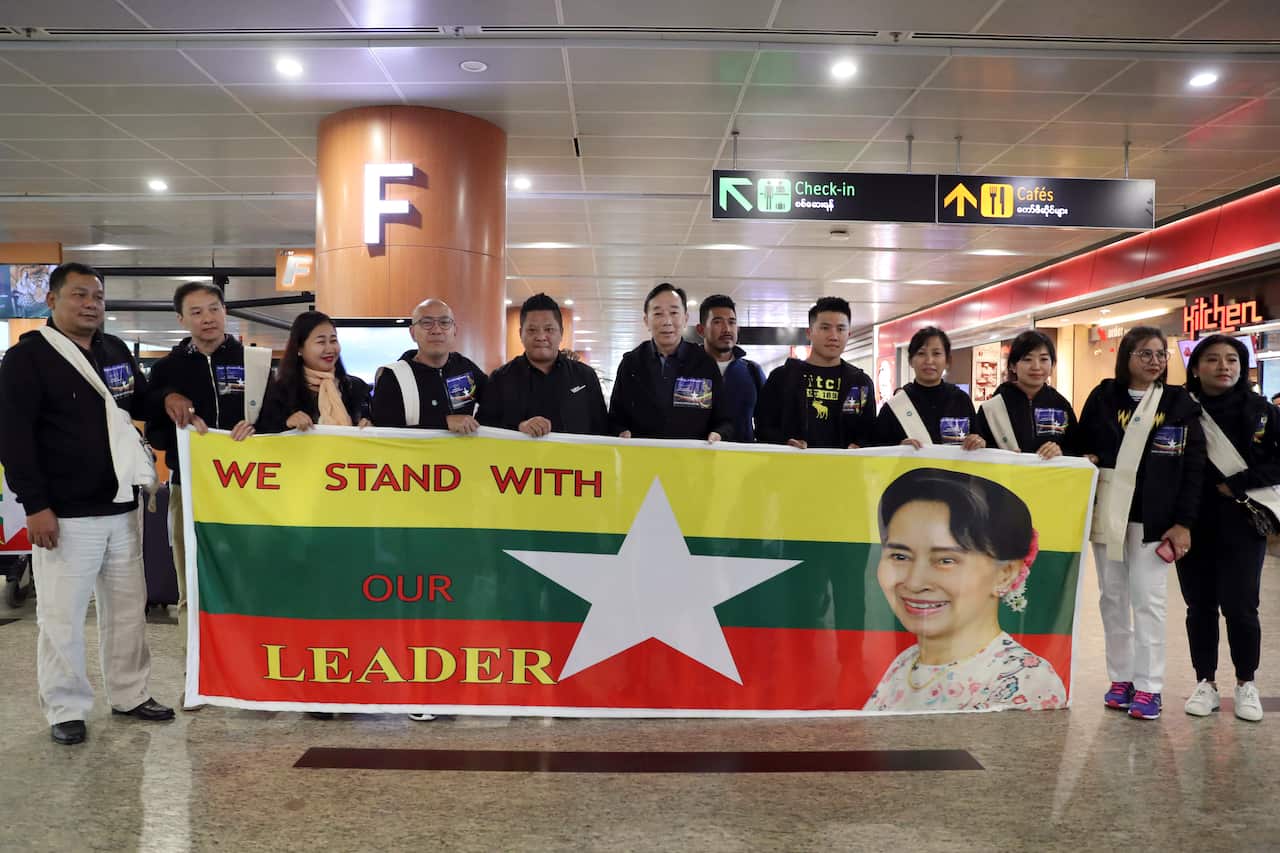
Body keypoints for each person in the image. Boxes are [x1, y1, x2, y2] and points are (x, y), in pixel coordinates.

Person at [0, 262, 174, 745]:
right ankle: (65, 707)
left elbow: (140, 402)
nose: (91, 304)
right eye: (79, 295)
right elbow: (14, 439)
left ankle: (130, 693)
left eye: (97, 296)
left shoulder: (113, 349)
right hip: (63, 513)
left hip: (121, 506)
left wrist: (172, 397)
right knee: (62, 616)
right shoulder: (27, 359)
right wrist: (35, 506)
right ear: (52, 301)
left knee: (126, 610)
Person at [1078, 325, 1206, 720]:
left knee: (1147, 601)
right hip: (1110, 515)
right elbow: (1084, 446)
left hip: (1155, 519)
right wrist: (1091, 458)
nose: (1154, 362)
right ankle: (1121, 678)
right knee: (1112, 598)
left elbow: (1194, 465)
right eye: (1145, 354)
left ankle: (1150, 686)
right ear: (1126, 357)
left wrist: (1184, 521)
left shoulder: (1179, 402)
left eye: (1160, 355)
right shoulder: (1103, 397)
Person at [864, 467, 1066, 712]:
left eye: (946, 560)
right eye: (899, 556)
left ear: (1005, 574)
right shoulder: (905, 663)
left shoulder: (1026, 682)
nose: (915, 583)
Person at [144, 281, 258, 696]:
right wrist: (169, 405)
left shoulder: (253, 361)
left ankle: (253, 669)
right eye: (196, 312)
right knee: (190, 577)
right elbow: (156, 434)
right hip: (189, 489)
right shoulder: (167, 370)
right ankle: (197, 674)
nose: (207, 318)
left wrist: (259, 430)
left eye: (214, 309)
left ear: (226, 311)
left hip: (253, 492)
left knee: (248, 578)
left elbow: (276, 417)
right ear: (181, 319)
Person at [1178, 335, 1280, 722]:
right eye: (1214, 359)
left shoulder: (1262, 412)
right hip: (1191, 523)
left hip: (1243, 521)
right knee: (1199, 606)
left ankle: (1246, 683)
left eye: (1233, 360)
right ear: (1197, 366)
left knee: (1241, 607)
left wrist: (1238, 482)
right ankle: (1205, 681)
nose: (1225, 367)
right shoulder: (1182, 410)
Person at [608, 283, 732, 442]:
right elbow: (614, 418)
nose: (667, 321)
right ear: (646, 320)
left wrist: (719, 433)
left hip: (691, 461)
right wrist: (621, 432)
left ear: (685, 318)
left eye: (674, 312)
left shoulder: (704, 363)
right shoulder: (631, 364)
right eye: (658, 314)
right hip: (642, 461)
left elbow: (724, 420)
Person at [755, 296, 876, 449]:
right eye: (825, 328)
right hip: (793, 468)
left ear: (848, 335)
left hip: (843, 470)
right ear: (809, 333)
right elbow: (762, 427)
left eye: (840, 329)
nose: (833, 336)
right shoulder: (783, 377)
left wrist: (860, 444)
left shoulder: (860, 383)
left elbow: (870, 431)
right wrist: (784, 442)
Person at [480, 293, 607, 436]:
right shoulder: (501, 379)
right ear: (521, 333)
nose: (541, 337)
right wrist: (519, 426)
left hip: (575, 458)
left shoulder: (585, 376)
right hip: (518, 458)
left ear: (561, 333)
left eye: (549, 329)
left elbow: (602, 429)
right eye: (532, 330)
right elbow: (485, 427)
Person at [370, 299, 487, 433]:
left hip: (462, 453)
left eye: (444, 323)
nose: (436, 330)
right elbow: (384, 432)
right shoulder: (393, 376)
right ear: (412, 332)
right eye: (426, 323)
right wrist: (443, 423)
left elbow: (495, 405)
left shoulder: (464, 368)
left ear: (455, 330)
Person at [258, 311, 372, 434]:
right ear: (299, 348)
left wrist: (371, 426)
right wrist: (287, 423)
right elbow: (262, 433)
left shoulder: (355, 387)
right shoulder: (280, 391)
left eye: (333, 341)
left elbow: (377, 425)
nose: (330, 349)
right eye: (321, 342)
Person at [973, 330, 1079, 459]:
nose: (1036, 366)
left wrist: (1060, 452)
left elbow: (1077, 450)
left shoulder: (1060, 405)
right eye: (1028, 359)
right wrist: (979, 445)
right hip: (1004, 478)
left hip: (1048, 478)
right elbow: (979, 450)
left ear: (1052, 365)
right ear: (1013, 366)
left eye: (1044, 359)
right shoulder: (993, 408)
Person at [874, 326, 985, 450]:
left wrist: (978, 442)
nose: (929, 360)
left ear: (947, 361)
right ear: (911, 360)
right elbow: (877, 451)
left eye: (936, 353)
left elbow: (980, 442)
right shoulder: (894, 407)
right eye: (921, 353)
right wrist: (898, 448)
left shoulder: (960, 400)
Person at [696, 294, 764, 442]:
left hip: (743, 461)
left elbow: (767, 423)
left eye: (732, 322)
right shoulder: (688, 371)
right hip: (697, 459)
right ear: (701, 330)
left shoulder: (752, 372)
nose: (727, 329)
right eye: (717, 322)